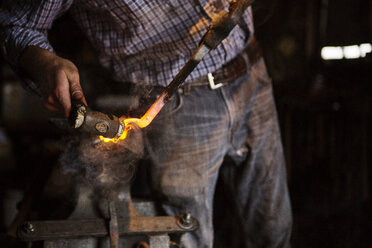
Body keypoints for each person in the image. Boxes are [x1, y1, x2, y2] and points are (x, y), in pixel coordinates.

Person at [0, 0, 292, 247]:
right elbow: (14, 24)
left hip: (252, 72)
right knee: (189, 235)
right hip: (179, 106)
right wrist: (45, 64)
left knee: (274, 229)